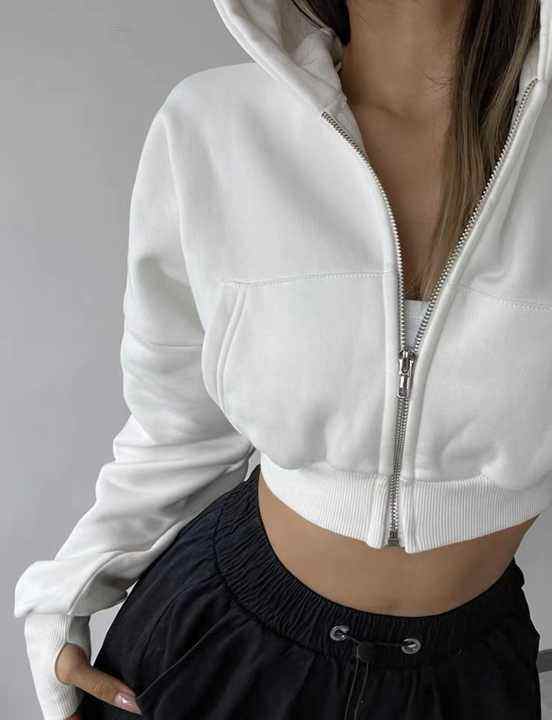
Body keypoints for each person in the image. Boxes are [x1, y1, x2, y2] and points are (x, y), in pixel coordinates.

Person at [13, 0, 549, 718]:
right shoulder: (214, 126)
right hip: (221, 646)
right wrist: (66, 591)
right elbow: (179, 425)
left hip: (468, 679)